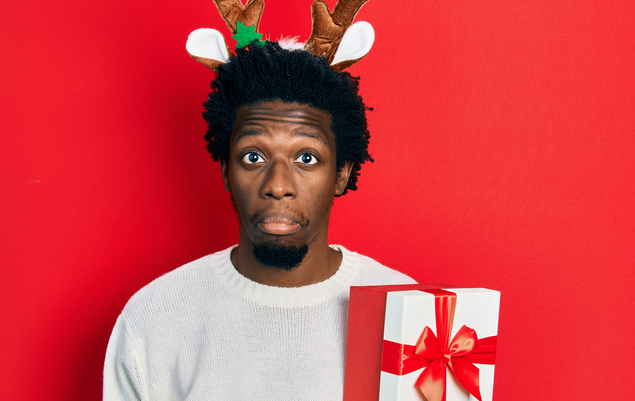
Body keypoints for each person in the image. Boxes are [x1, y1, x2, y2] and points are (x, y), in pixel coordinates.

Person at [103, 41, 415, 400]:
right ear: (225, 171)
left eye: (307, 158)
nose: (278, 185)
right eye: (253, 156)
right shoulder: (156, 316)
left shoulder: (410, 316)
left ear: (341, 174)